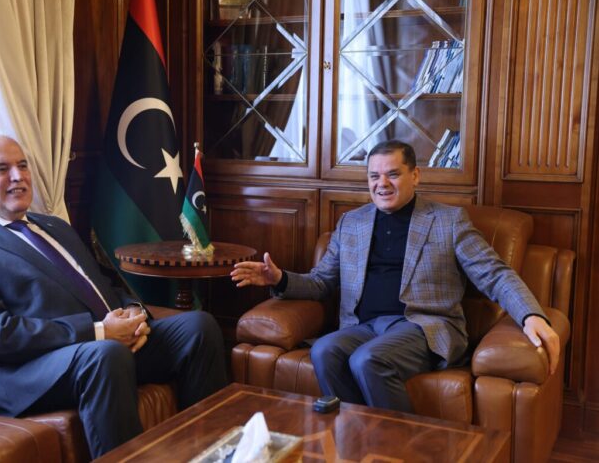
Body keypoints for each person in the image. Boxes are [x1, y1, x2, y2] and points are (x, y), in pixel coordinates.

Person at [0, 129, 227, 458]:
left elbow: (103, 285)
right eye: (2, 169)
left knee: (198, 327)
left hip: (95, 349)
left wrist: (135, 313)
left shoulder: (54, 227)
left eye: (23, 165)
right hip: (20, 371)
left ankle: (212, 451)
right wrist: (99, 332)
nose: (18, 176)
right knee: (105, 355)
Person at [231, 139, 560, 412]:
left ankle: (404, 448)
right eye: (374, 176)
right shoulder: (351, 223)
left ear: (415, 175)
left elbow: (494, 273)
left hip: (422, 327)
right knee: (324, 351)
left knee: (369, 359)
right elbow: (321, 282)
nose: (382, 184)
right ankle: (359, 439)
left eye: (393, 174)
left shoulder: (448, 221)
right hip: (363, 327)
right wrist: (279, 279)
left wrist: (530, 314)